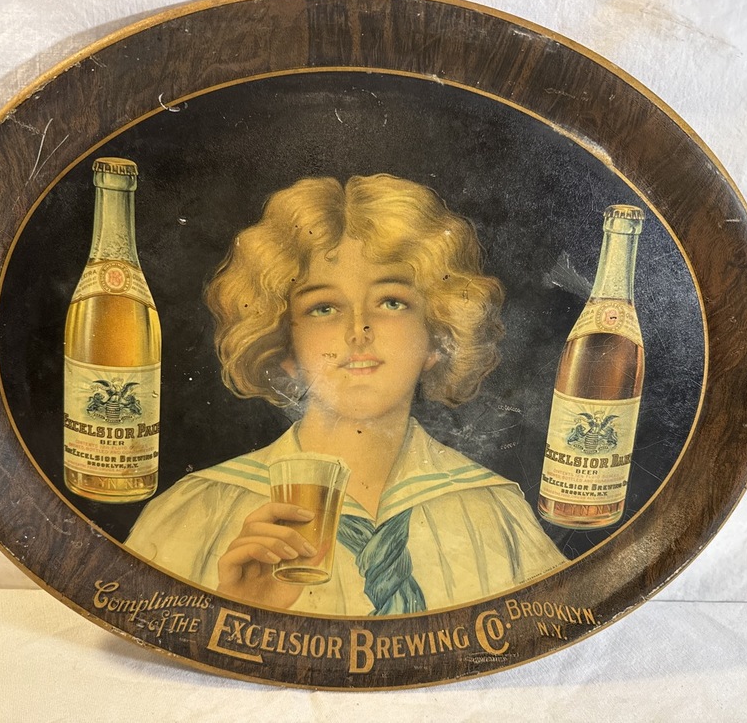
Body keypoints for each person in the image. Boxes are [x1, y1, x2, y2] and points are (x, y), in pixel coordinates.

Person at [125, 174, 566, 615]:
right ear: (284, 346)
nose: (359, 331)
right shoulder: (197, 511)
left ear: (436, 338)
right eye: (323, 308)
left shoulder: (497, 514)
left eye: (391, 302)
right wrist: (242, 610)